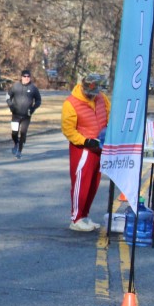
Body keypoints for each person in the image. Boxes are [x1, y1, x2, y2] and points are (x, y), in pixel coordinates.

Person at [61, 73, 110, 232]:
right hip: (83, 149)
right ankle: (76, 218)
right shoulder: (71, 103)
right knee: (81, 183)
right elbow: (68, 130)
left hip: (99, 146)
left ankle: (84, 215)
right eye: (89, 92)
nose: (92, 96)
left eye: (94, 93)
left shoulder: (102, 98)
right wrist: (85, 141)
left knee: (93, 183)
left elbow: (109, 115)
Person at [6, 69, 42, 158]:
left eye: (28, 76)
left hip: (27, 115)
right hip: (16, 114)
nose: (26, 78)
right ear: (21, 77)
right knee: (14, 133)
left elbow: (38, 100)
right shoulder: (16, 86)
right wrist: (11, 106)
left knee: (23, 132)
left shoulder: (33, 88)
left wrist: (33, 108)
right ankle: (16, 143)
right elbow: (8, 96)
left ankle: (19, 151)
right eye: (24, 76)